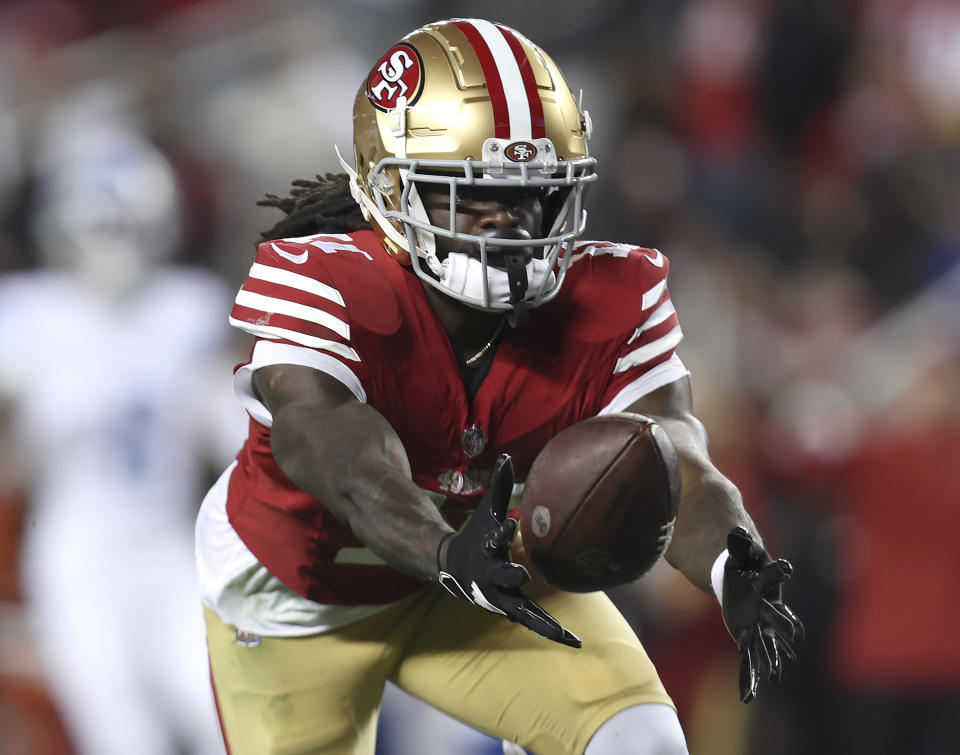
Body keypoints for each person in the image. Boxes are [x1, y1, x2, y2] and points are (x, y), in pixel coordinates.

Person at [196, 18, 803, 755]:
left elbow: (675, 455)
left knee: (638, 743)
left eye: (529, 193)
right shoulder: (324, 277)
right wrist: (444, 549)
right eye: (470, 193)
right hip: (304, 595)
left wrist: (727, 555)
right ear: (391, 188)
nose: (507, 222)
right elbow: (338, 454)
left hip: (493, 576)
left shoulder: (614, 290)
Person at [0, 122, 241, 755]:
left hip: (168, 548)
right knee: (123, 737)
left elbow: (230, 433)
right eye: (101, 227)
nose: (115, 245)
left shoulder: (184, 308)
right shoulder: (32, 314)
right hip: (78, 557)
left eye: (125, 226)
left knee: (216, 716)